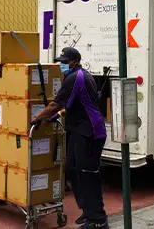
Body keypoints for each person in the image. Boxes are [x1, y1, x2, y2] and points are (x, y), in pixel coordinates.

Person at [32, 47, 108, 229]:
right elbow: (73, 105)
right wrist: (55, 117)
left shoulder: (76, 78)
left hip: (90, 132)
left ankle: (98, 219)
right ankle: (88, 211)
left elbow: (54, 104)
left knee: (88, 175)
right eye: (60, 62)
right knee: (72, 168)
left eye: (64, 62)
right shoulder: (79, 75)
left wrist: (37, 118)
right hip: (79, 130)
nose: (61, 65)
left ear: (74, 61)